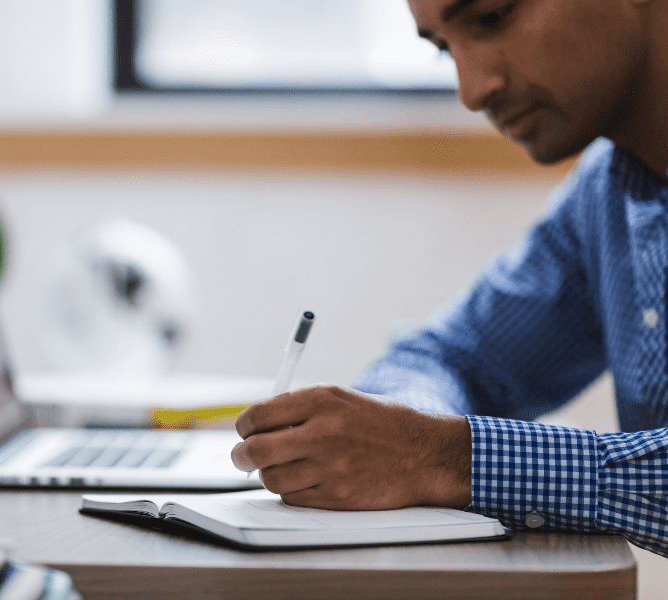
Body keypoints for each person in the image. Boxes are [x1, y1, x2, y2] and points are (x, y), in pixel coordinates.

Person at [230, 0, 668, 557]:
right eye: (442, 48)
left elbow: (436, 445)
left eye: (491, 17)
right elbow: (455, 357)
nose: (471, 91)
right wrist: (391, 432)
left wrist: (441, 456)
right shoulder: (609, 193)